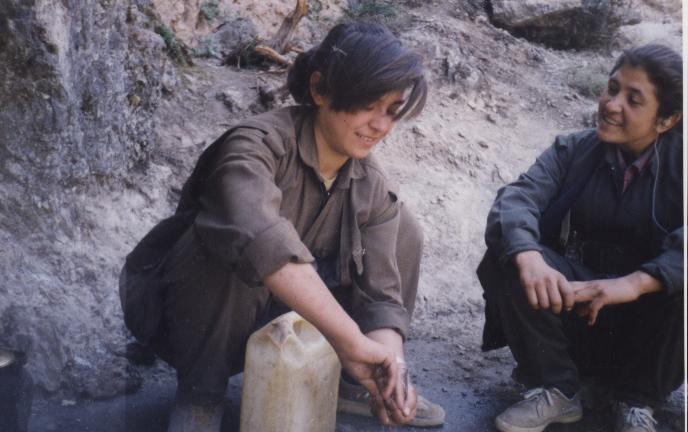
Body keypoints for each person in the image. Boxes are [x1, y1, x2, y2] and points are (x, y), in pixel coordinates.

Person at [120, 21, 445, 431]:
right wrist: (349, 339)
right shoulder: (254, 145)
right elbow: (261, 240)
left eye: (392, 110)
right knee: (236, 242)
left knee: (403, 227)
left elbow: (382, 295)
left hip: (284, 318)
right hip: (181, 316)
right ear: (320, 90)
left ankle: (353, 382)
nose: (381, 125)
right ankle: (200, 397)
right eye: (368, 104)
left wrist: (389, 366)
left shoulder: (369, 181)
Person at [478, 44, 683, 432]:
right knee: (510, 253)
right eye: (612, 88)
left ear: (667, 119)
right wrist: (528, 256)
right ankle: (555, 388)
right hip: (576, 322)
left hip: (648, 336)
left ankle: (638, 401)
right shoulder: (572, 150)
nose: (611, 104)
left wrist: (636, 283)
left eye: (633, 99)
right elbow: (517, 199)